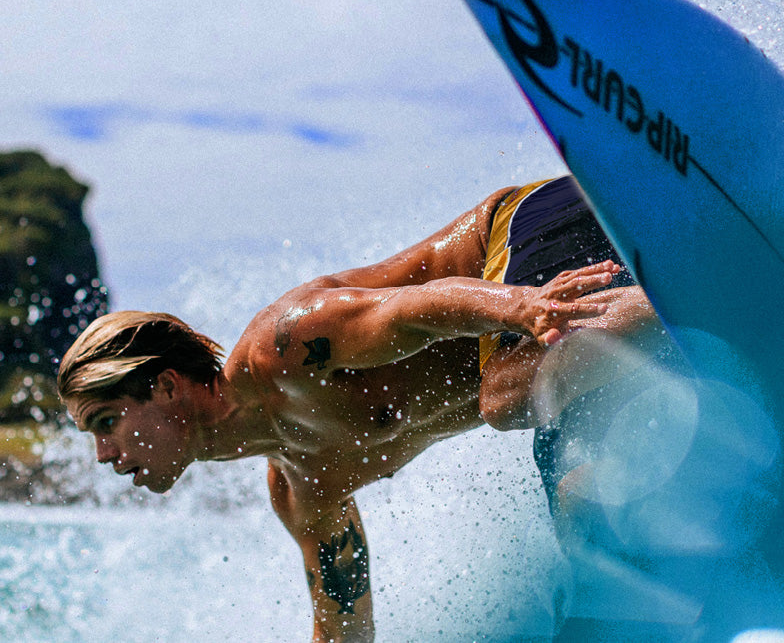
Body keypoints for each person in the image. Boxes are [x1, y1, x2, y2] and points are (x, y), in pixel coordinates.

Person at [57, 179, 654, 643]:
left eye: (106, 423)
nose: (103, 455)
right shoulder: (305, 491)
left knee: (504, 397)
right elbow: (345, 632)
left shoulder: (284, 348)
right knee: (586, 524)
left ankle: (692, 309)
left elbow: (415, 310)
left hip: (535, 231)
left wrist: (524, 306)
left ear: (166, 387)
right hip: (569, 350)